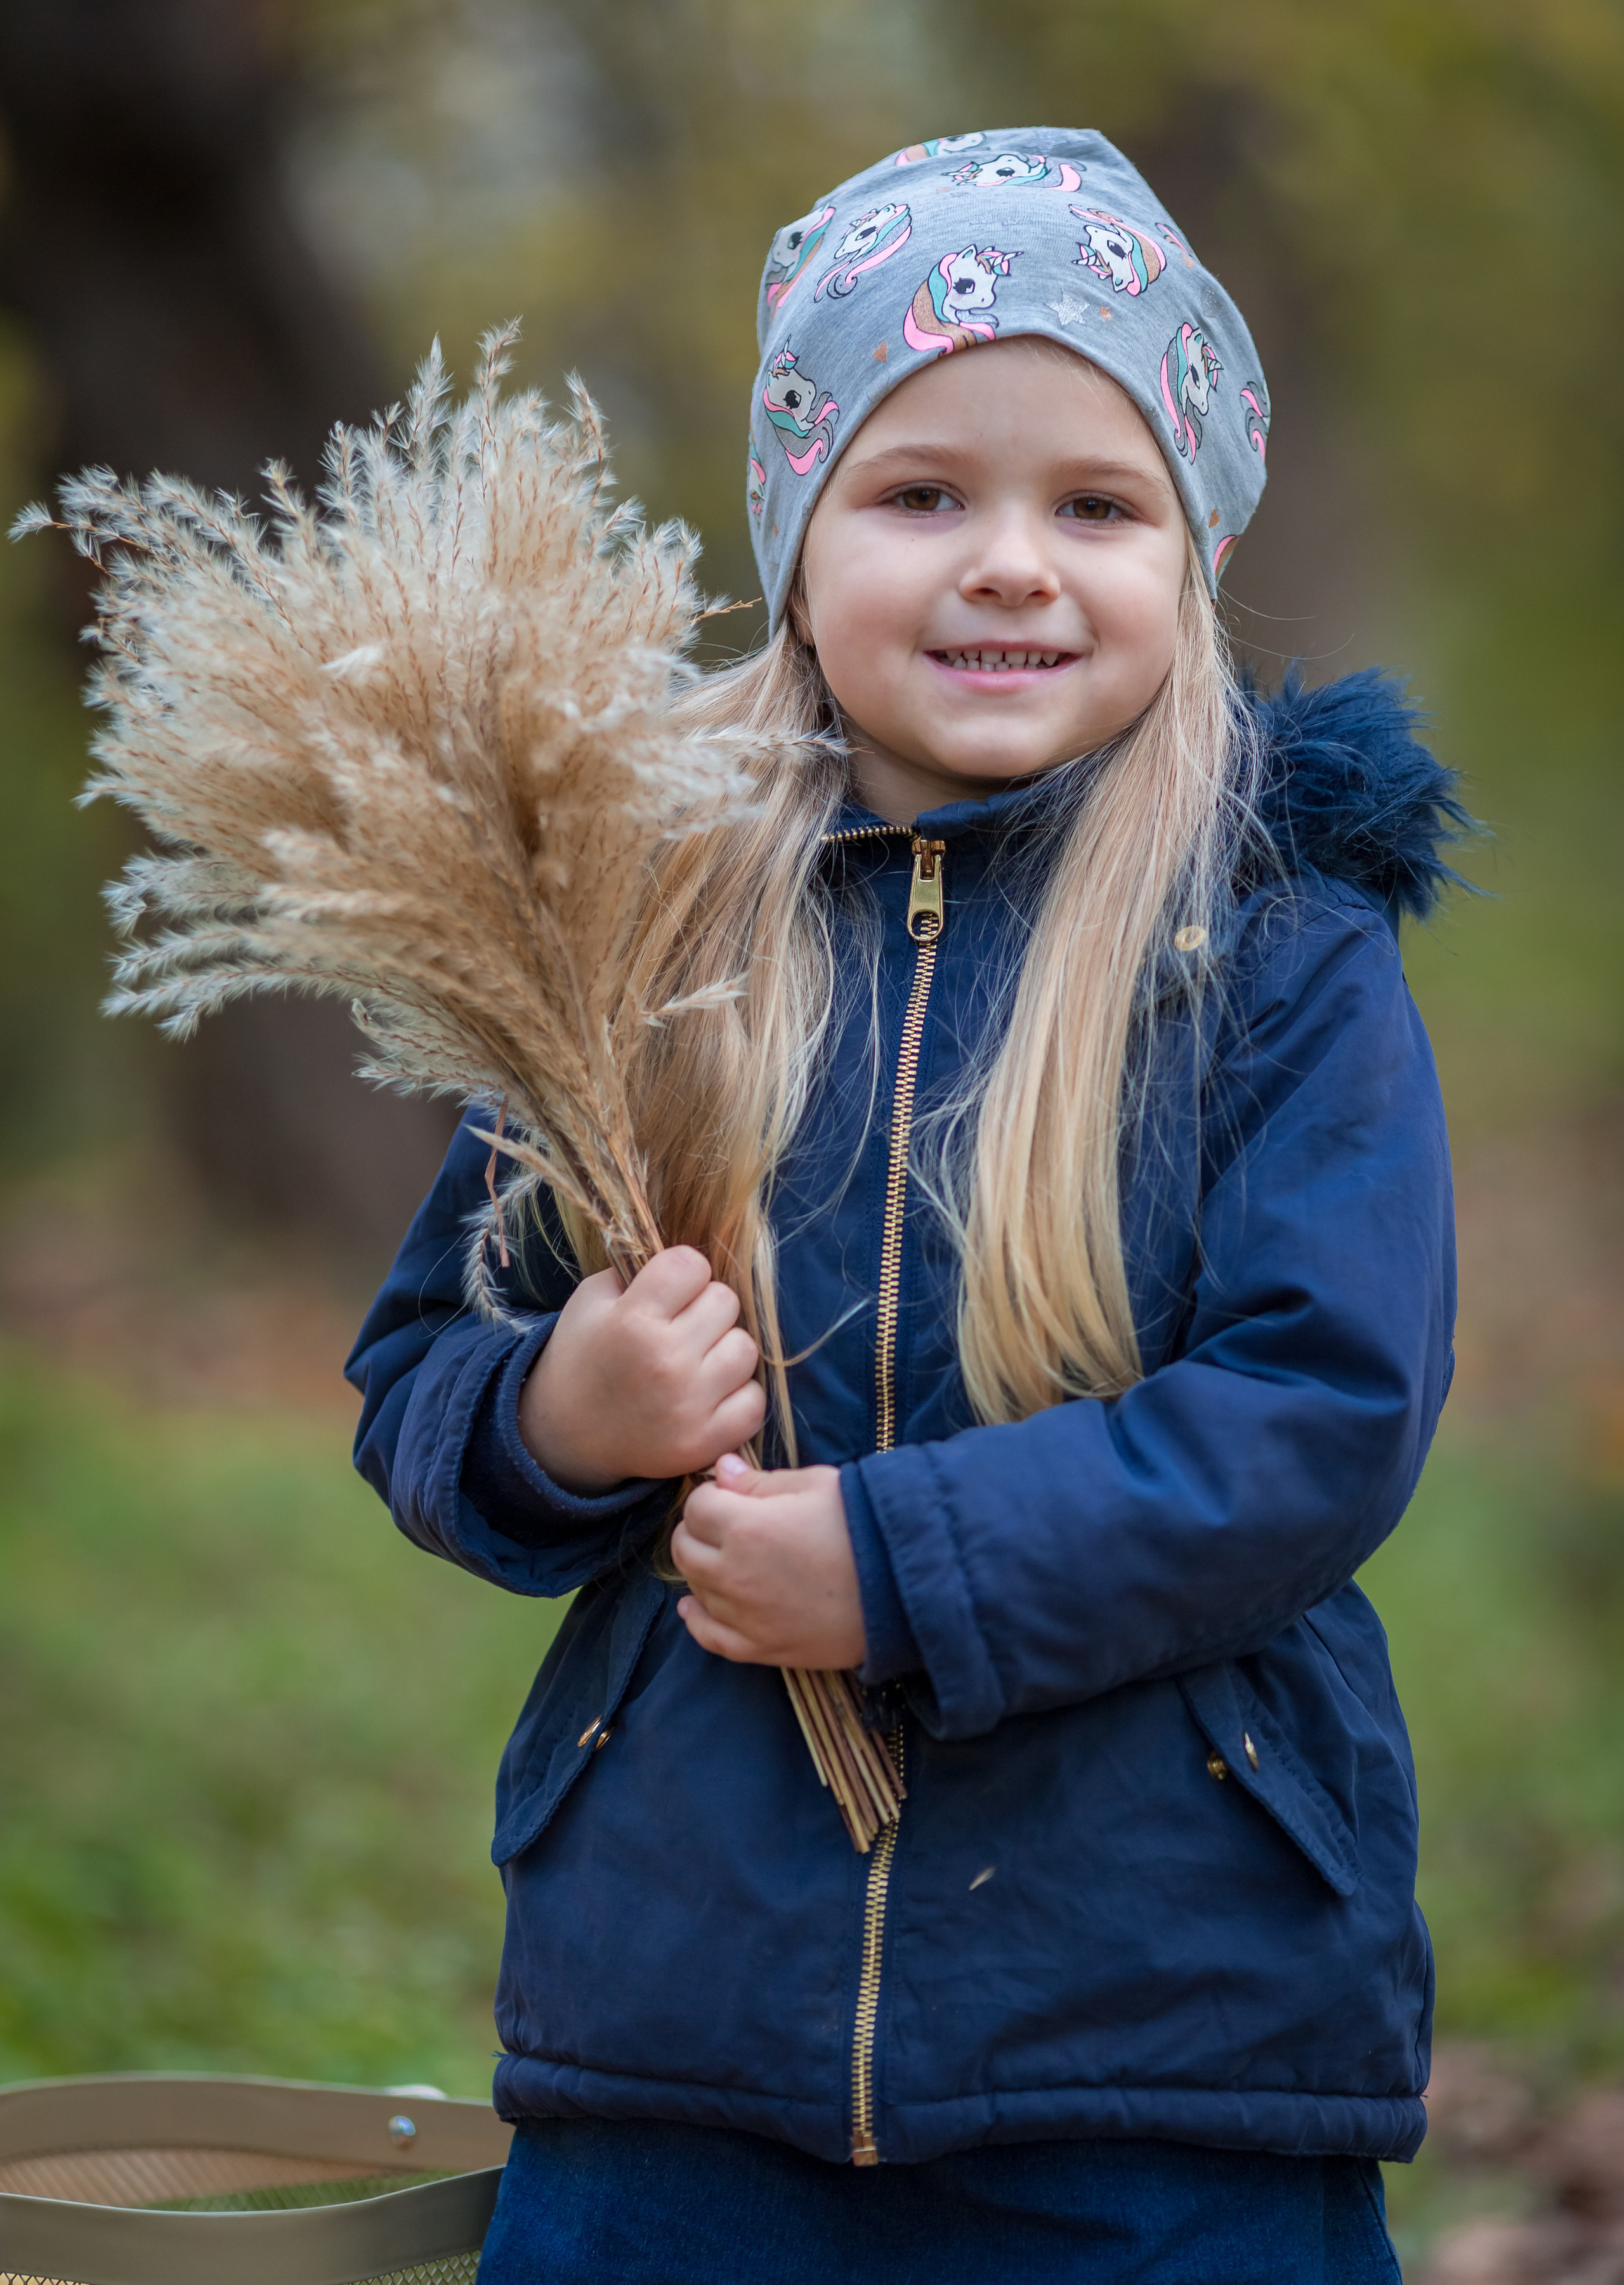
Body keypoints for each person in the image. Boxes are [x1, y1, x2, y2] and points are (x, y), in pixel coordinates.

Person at [348, 126, 1462, 2283]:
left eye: (1097, 505)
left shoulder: (1275, 948)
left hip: (1164, 2043)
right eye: (924, 492)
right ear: (797, 541)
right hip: (680, 2042)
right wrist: (557, 1416)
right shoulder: (629, 930)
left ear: (1194, 559)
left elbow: (1321, 1410)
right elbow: (424, 1367)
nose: (1014, 565)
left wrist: (903, 1567)